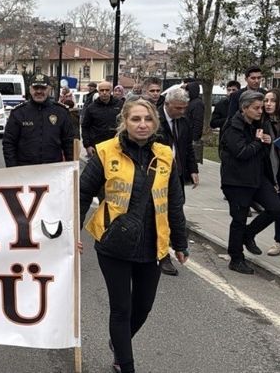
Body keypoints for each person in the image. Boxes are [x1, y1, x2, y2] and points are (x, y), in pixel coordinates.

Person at [80, 98, 189, 373]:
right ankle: (125, 364)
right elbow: (82, 194)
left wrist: (180, 241)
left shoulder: (166, 155)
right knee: (122, 309)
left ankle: (119, 342)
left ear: (155, 123)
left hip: (153, 244)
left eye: (148, 119)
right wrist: (71, 234)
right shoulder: (106, 152)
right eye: (136, 119)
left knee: (143, 307)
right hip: (113, 243)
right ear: (124, 122)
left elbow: (174, 201)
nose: (142, 124)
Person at [220, 91, 280, 274]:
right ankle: (236, 258)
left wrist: (267, 143)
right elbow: (242, 153)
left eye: (261, 108)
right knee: (239, 219)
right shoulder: (233, 126)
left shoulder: (259, 125)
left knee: (276, 208)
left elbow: (262, 157)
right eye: (256, 108)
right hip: (237, 181)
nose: (260, 111)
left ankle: (249, 234)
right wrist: (258, 142)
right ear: (244, 108)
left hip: (257, 178)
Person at [155, 86, 199, 276]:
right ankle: (163, 257)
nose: (182, 112)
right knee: (159, 214)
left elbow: (187, 147)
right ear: (167, 104)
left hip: (176, 174)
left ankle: (174, 245)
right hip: (155, 174)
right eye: (178, 108)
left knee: (176, 209)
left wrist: (193, 170)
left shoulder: (183, 121)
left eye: (184, 108)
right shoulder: (154, 120)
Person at [3, 74, 75, 167]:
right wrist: (12, 169)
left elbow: (69, 142)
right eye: (36, 88)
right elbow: (9, 143)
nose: (39, 91)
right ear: (30, 89)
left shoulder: (61, 112)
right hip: (25, 170)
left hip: (53, 169)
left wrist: (71, 168)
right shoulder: (18, 113)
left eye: (43, 88)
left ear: (49, 89)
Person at [262, 89, 280, 256]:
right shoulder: (262, 121)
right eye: (266, 100)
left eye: (272, 101)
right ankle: (278, 241)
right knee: (278, 206)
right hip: (271, 170)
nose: (268, 104)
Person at [82, 81, 123, 157]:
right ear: (98, 91)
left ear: (111, 91)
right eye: (102, 90)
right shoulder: (91, 108)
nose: (104, 92)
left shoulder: (120, 105)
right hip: (97, 146)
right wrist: (87, 145)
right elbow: (85, 127)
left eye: (107, 90)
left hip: (116, 145)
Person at [184, 81, 205, 164]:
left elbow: (198, 121)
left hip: (192, 135)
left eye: (188, 90)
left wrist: (195, 137)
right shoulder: (191, 102)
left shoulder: (197, 104)